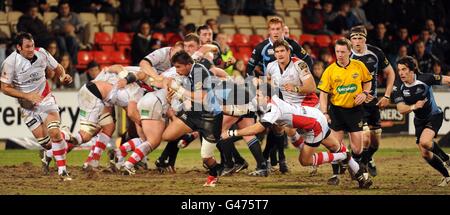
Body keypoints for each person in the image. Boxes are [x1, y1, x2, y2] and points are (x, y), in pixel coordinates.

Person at [221, 83, 373, 188]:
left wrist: (233, 132)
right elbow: (241, 110)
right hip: (314, 115)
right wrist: (220, 108)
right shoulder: (264, 101)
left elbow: (258, 128)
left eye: (259, 94)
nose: (256, 96)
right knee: (335, 146)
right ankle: (360, 175)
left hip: (314, 125)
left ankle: (342, 157)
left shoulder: (274, 108)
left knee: (305, 161)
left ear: (267, 96)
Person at [0, 32, 73, 180]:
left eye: (32, 45)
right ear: (18, 47)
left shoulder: (42, 53)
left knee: (54, 133)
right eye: (27, 46)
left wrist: (62, 76)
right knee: (46, 144)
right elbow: (4, 88)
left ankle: (63, 171)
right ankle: (56, 143)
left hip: (46, 99)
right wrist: (27, 96)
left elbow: (58, 67)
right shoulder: (10, 62)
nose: (31, 49)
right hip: (27, 107)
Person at [246, 16, 313, 173]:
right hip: (270, 91)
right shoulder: (261, 47)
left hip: (290, 92)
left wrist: (301, 80)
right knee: (274, 126)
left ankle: (271, 159)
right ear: (268, 31)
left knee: (279, 127)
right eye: (273, 29)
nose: (275, 32)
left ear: (283, 30)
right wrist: (258, 85)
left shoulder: (292, 45)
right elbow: (249, 70)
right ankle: (277, 159)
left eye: (278, 29)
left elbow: (308, 61)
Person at [161, 51, 223, 187]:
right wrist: (172, 95)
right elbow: (167, 80)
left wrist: (179, 90)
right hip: (194, 113)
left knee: (206, 157)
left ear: (188, 65)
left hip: (210, 117)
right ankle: (192, 135)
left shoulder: (199, 72)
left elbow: (201, 97)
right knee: (167, 135)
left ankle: (214, 173)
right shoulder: (186, 72)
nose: (176, 70)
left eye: (178, 67)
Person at [318, 38, 373, 185]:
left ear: (350, 52)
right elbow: (323, 93)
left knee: (357, 147)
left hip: (355, 111)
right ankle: (336, 175)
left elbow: (368, 81)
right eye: (337, 51)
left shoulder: (359, 66)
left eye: (343, 52)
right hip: (337, 111)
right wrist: (324, 112)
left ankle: (356, 171)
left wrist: (365, 93)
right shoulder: (330, 70)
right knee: (336, 145)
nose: (340, 55)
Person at [392, 56, 450, 186]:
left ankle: (447, 159)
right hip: (419, 120)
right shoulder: (398, 86)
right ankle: (447, 176)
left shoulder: (425, 78)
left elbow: (447, 80)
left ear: (412, 70)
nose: (401, 72)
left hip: (434, 115)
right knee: (425, 154)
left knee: (425, 141)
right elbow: (401, 109)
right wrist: (414, 107)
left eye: (404, 69)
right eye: (399, 70)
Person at [349, 25, 396, 177]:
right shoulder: (345, 54)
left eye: (360, 38)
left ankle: (368, 159)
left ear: (365, 39)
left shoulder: (376, 53)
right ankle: (360, 168)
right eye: (354, 38)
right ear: (350, 40)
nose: (357, 41)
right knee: (365, 137)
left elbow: (390, 73)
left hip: (373, 103)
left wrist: (387, 95)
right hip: (355, 104)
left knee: (375, 142)